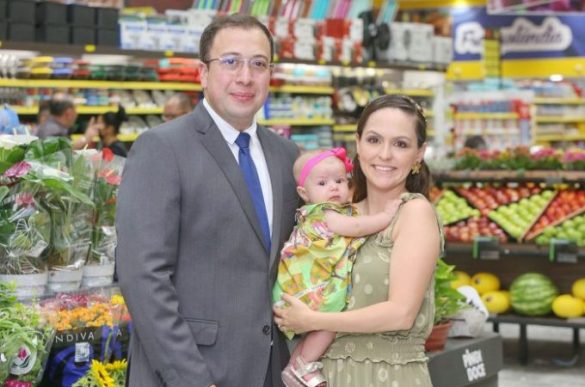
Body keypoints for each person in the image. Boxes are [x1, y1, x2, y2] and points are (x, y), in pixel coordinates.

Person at [116, 14, 299, 387]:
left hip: (271, 369)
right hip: (192, 371)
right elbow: (143, 276)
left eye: (258, 64)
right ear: (202, 72)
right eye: (230, 61)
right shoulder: (162, 149)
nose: (245, 76)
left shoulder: (287, 156)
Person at [274, 94, 443, 387]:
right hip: (324, 375)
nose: (385, 155)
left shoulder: (413, 213)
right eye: (374, 140)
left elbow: (401, 314)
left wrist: (314, 321)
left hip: (388, 377)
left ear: (419, 154)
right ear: (358, 143)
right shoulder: (341, 214)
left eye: (401, 144)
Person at [273, 147, 399, 387]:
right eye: (322, 183)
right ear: (304, 192)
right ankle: (304, 367)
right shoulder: (326, 214)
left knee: (316, 327)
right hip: (313, 285)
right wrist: (386, 216)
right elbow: (358, 228)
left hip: (302, 282)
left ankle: (295, 364)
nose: (333, 187)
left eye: (340, 180)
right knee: (329, 322)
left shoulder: (310, 213)